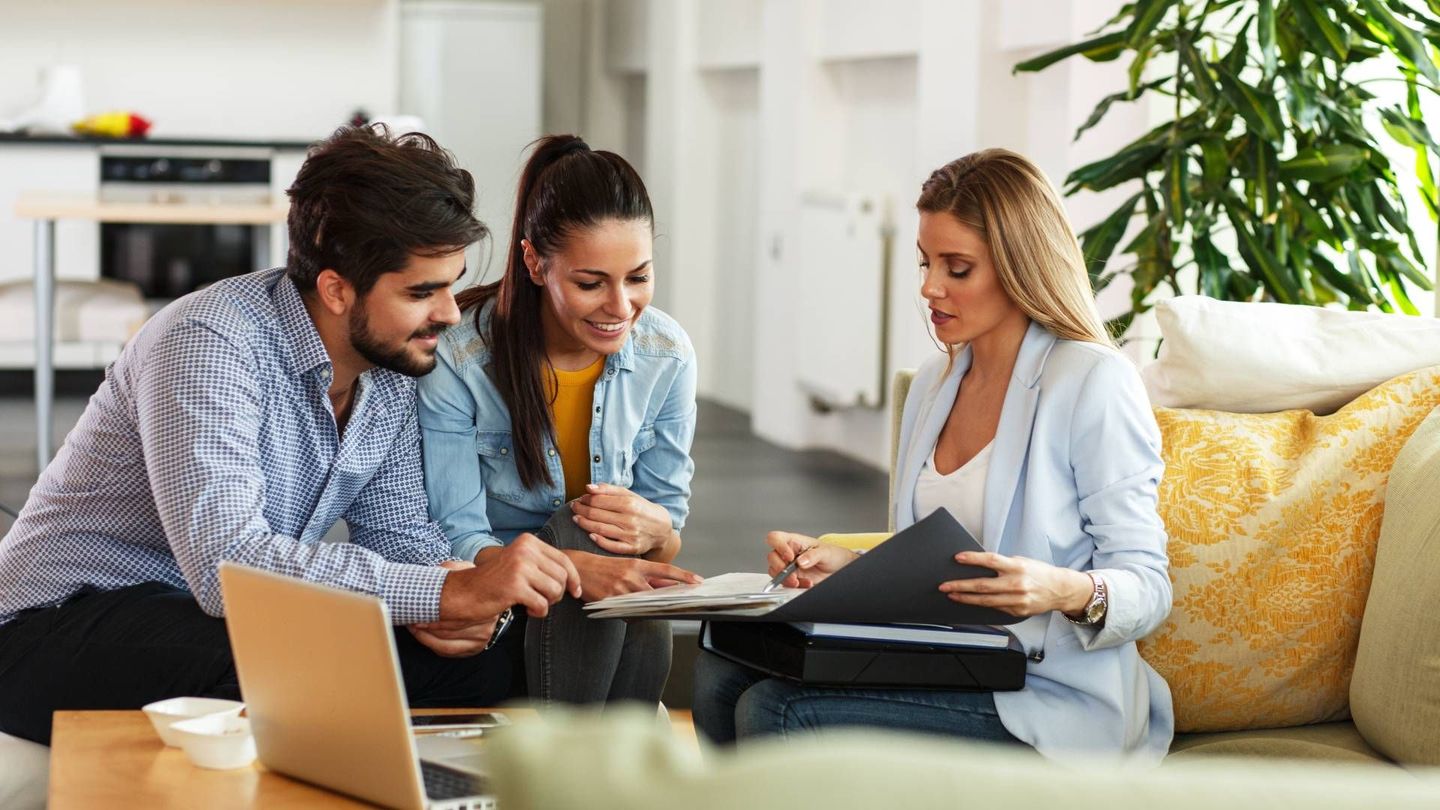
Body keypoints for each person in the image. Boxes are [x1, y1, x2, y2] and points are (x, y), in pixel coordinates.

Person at [0, 125, 582, 745]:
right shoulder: (208, 343)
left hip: (210, 619)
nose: (447, 312)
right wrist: (442, 591)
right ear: (336, 289)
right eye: (421, 291)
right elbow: (229, 564)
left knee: (489, 660)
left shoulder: (386, 371)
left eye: (450, 283)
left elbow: (400, 534)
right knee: (297, 661)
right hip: (55, 623)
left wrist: (464, 606)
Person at [692, 149, 1174, 762]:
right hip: (948, 663)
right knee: (720, 672)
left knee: (776, 709)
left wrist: (1060, 590)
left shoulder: (1092, 382)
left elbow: (1149, 586)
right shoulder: (933, 384)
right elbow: (934, 562)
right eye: (926, 262)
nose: (928, 287)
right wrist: (849, 566)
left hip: (1047, 694)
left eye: (957, 268)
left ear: (1019, 267)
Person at [419, 135, 700, 706]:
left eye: (639, 277)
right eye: (590, 283)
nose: (621, 307)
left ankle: (598, 770)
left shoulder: (667, 353)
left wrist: (657, 532)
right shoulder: (459, 356)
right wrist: (577, 566)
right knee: (586, 531)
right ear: (534, 262)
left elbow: (665, 537)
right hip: (502, 602)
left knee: (615, 537)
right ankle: (608, 765)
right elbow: (457, 534)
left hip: (603, 612)